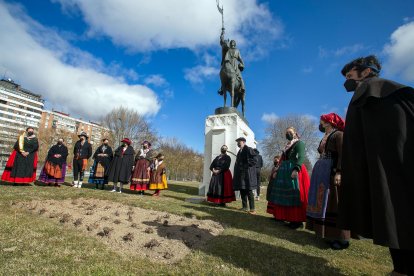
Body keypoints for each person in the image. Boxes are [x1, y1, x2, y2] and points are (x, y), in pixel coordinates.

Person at [338, 55, 414, 274]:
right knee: (390, 217)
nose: (347, 81)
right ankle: (401, 267)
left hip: (397, 169)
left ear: (366, 72)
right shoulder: (360, 99)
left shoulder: (389, 91)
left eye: (350, 75)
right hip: (380, 170)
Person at [306, 113, 350, 250]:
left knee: (334, 203)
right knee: (324, 202)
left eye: (322, 120)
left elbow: (343, 154)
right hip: (322, 172)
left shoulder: (339, 135)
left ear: (329, 121)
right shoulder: (325, 136)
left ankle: (342, 239)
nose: (320, 122)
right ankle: (328, 233)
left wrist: (339, 171)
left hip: (331, 172)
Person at [267, 127, 310, 229]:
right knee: (283, 194)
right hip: (284, 171)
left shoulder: (299, 143)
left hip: (293, 169)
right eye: (286, 133)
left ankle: (297, 221)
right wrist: (276, 171)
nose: (288, 134)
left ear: (295, 133)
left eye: (290, 132)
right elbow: (281, 159)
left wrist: (296, 169)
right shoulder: (286, 146)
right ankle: (282, 216)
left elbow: (301, 157)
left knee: (294, 194)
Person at [233, 137, 257, 214]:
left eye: (239, 142)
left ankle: (252, 208)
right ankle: (244, 207)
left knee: (249, 190)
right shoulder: (239, 151)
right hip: (241, 174)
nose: (238, 143)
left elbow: (254, 160)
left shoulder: (249, 149)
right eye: (237, 142)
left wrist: (245, 165)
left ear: (243, 142)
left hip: (247, 174)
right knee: (242, 189)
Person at [218, 28, 245, 94]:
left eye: (233, 42)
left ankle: (242, 88)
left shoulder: (237, 50)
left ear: (235, 44)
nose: (232, 42)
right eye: (231, 42)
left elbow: (240, 58)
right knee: (223, 75)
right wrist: (222, 34)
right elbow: (222, 43)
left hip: (235, 64)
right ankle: (222, 88)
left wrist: (242, 64)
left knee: (240, 77)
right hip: (229, 63)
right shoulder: (228, 49)